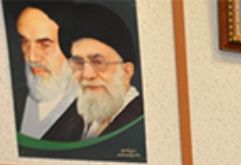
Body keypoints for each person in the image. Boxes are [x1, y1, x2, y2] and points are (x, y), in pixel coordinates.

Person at [59, 1, 143, 140]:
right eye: (78, 62)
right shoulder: (72, 121)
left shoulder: (142, 119)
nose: (87, 74)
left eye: (98, 62)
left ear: (127, 71)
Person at [8, 2, 79, 140]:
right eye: (25, 41)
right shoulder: (12, 97)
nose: (31, 57)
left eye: (45, 44)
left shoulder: (96, 111)